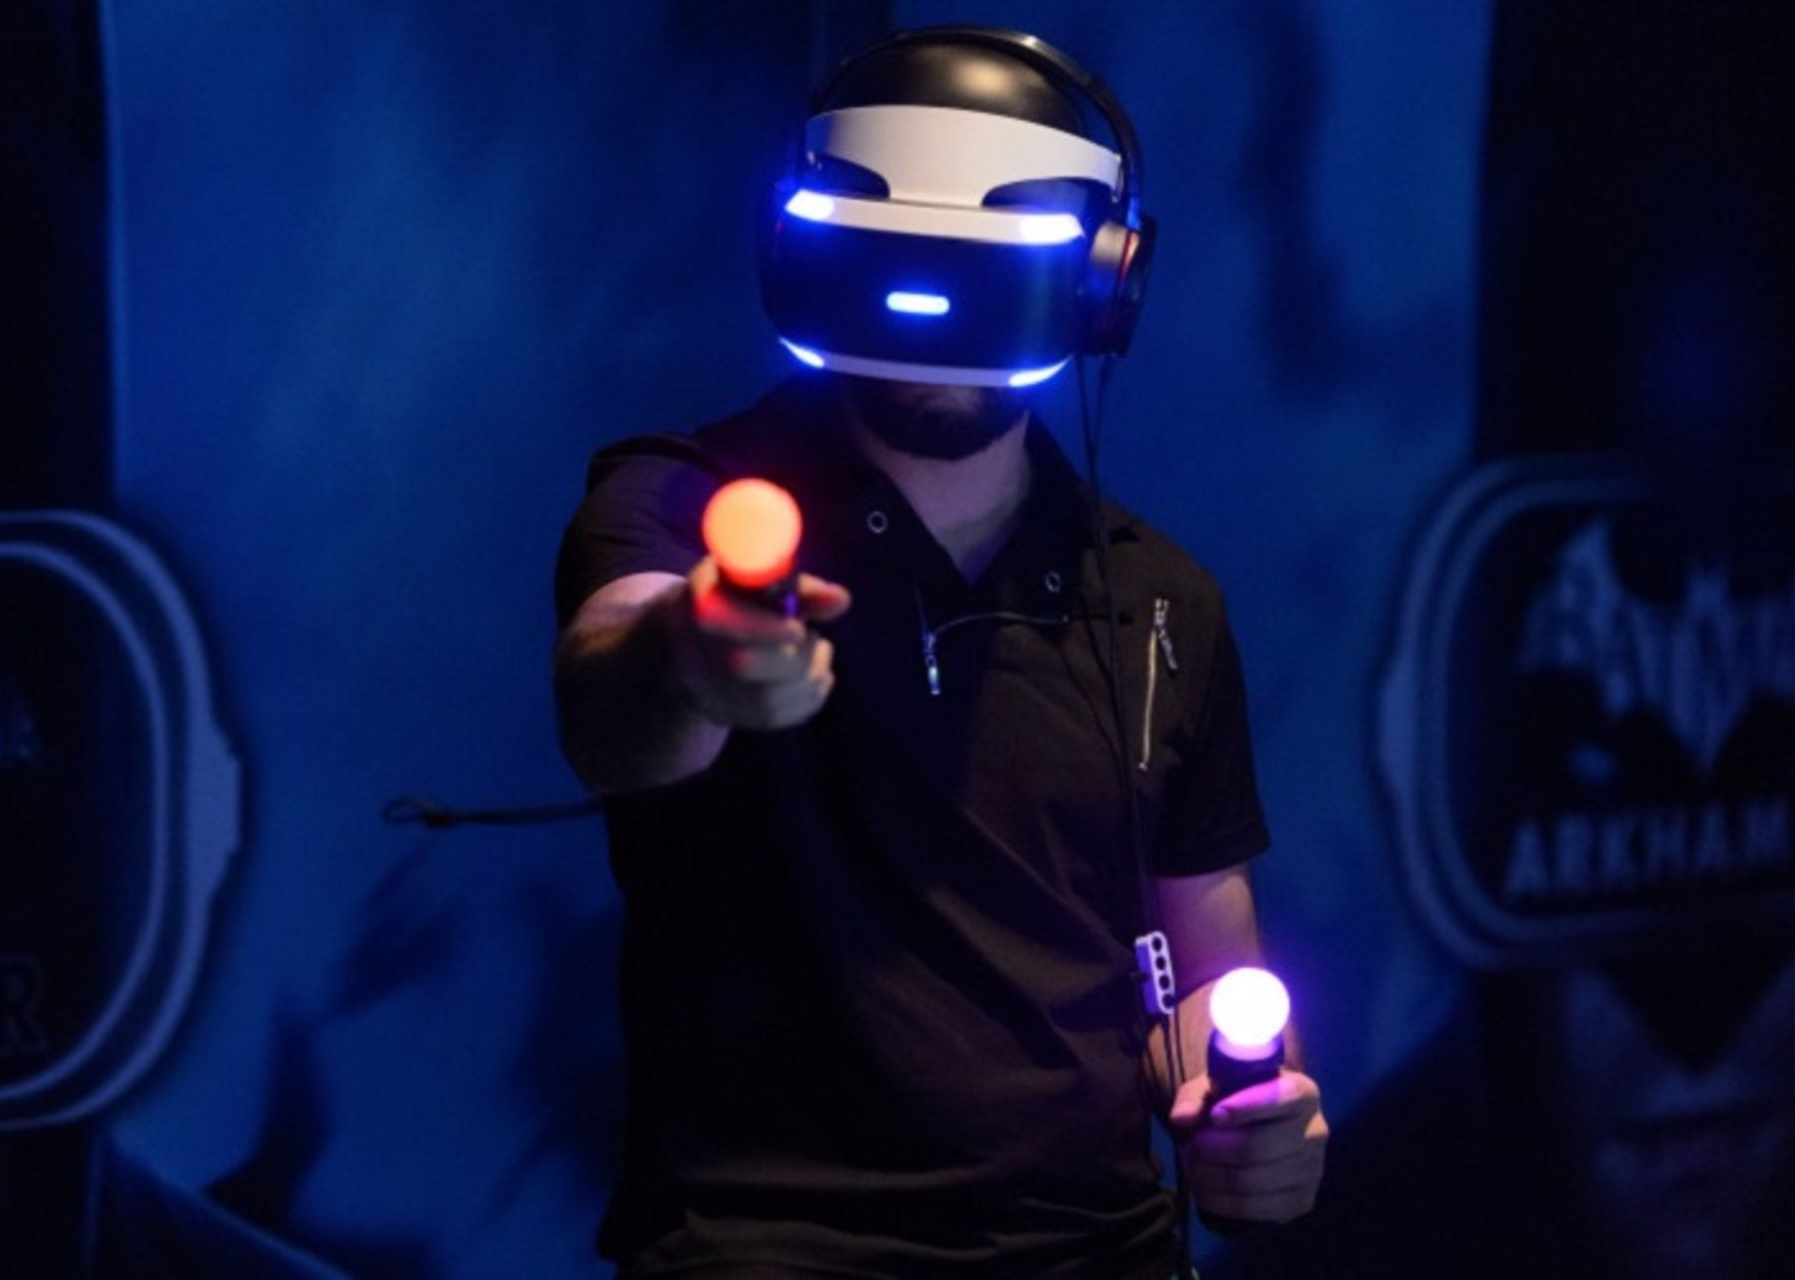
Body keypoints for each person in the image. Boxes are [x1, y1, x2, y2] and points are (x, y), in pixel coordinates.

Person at [554, 28, 1326, 1278]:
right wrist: (694, 655)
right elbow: (612, 703)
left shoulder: (1161, 598)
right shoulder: (681, 500)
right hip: (764, 1246)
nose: (935, 301)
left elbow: (1203, 974)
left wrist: (1254, 1109)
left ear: (1107, 281)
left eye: (990, 263)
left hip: (1099, 1248)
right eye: (899, 252)